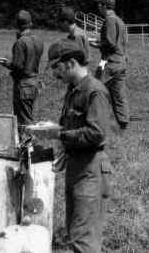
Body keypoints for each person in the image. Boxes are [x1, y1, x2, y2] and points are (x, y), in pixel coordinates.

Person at [46, 38, 112, 253]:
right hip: (76, 165)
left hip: (90, 169)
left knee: (83, 238)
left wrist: (60, 134)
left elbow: (97, 134)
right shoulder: (73, 89)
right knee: (75, 231)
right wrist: (64, 146)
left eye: (57, 67)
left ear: (71, 62)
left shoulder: (94, 91)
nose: (55, 74)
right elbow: (71, 125)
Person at [0, 10, 43, 128]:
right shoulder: (39, 41)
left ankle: (27, 145)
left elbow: (17, 67)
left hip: (23, 85)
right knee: (29, 116)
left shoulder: (20, 43)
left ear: (17, 25)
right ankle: (29, 143)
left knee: (23, 121)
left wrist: (2, 62)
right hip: (34, 82)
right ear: (30, 23)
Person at [89, 0, 129, 129]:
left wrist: (97, 45)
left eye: (99, 4)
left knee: (94, 89)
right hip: (121, 61)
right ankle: (123, 124)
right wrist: (101, 42)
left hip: (109, 62)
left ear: (104, 6)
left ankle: (94, 123)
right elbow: (119, 42)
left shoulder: (109, 20)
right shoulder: (119, 20)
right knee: (119, 95)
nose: (98, 7)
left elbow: (111, 43)